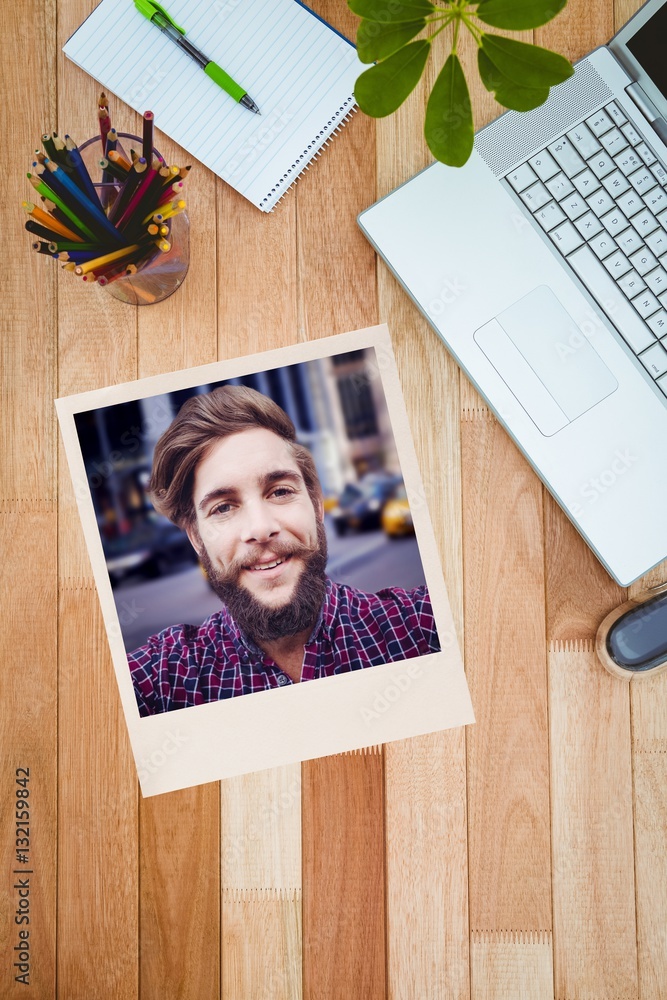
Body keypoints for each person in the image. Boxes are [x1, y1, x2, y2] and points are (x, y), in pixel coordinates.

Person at [128, 385, 440, 716]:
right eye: (222, 508)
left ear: (316, 504)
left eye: (279, 491)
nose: (260, 529)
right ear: (196, 538)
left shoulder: (425, 625)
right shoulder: (159, 681)